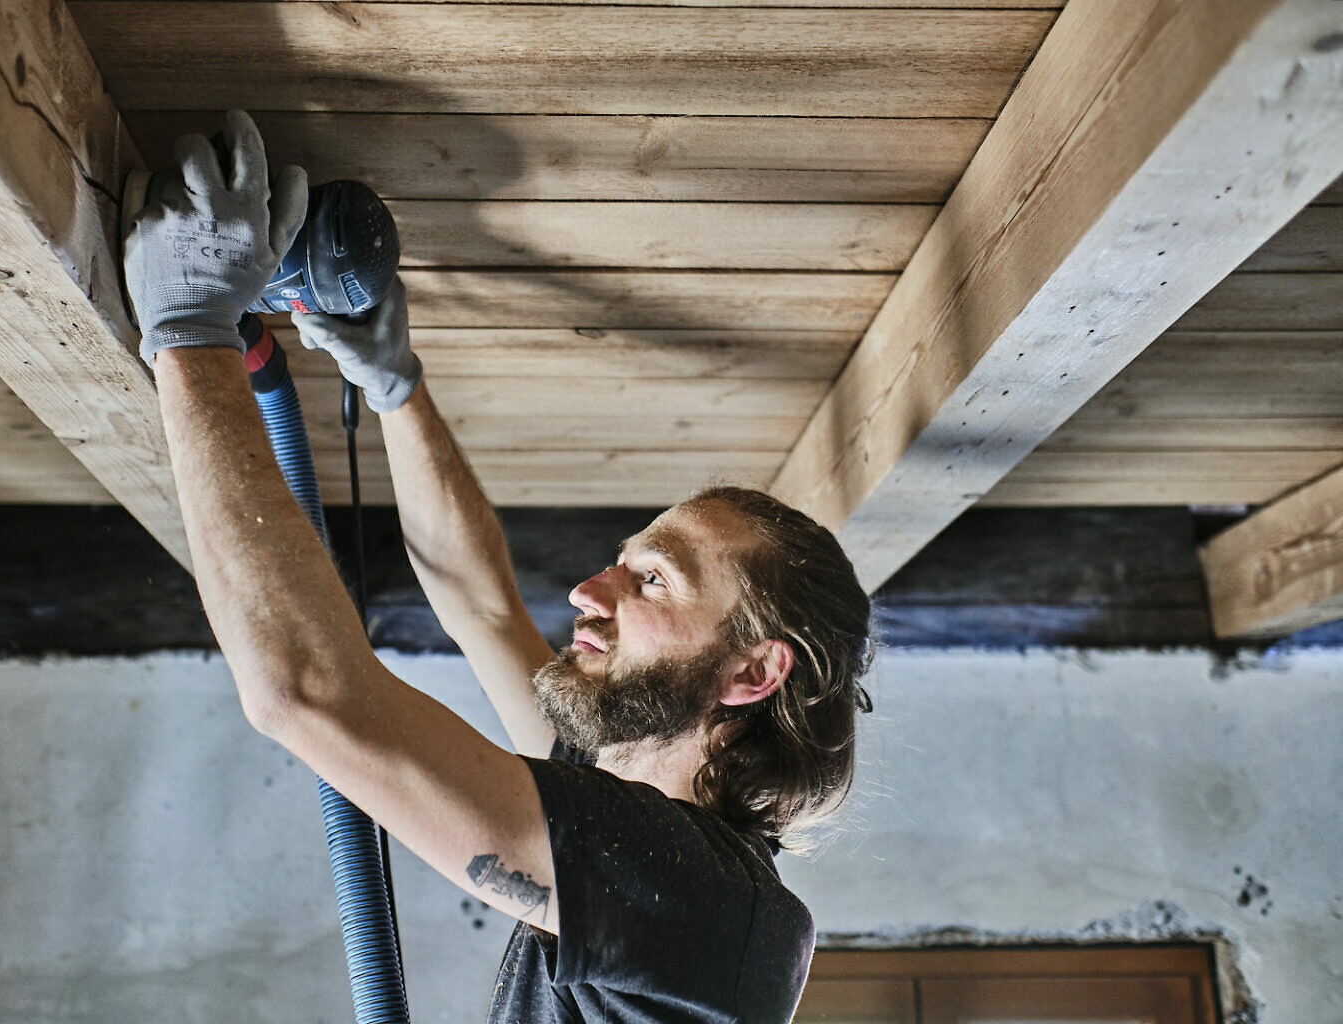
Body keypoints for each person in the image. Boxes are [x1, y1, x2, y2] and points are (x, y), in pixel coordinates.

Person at [124, 110, 874, 1023]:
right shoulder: (637, 820)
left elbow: (303, 691)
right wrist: (394, 385)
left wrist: (191, 324)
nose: (588, 592)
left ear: (754, 671)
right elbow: (478, 603)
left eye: (653, 580)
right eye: (620, 563)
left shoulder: (718, 906)